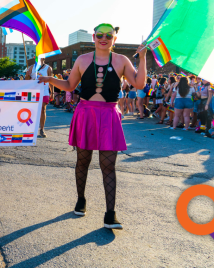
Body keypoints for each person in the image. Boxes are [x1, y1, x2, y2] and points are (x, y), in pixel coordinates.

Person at [38, 23, 148, 230]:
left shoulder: (122, 60)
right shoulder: (82, 59)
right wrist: (50, 79)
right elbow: (70, 86)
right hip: (85, 114)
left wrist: (142, 58)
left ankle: (110, 214)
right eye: (100, 35)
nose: (103, 38)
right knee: (83, 160)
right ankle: (81, 200)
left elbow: (140, 84)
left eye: (108, 35)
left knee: (108, 165)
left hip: (108, 115)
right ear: (94, 37)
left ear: (114, 38)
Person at [25, 57, 52, 138]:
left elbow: (51, 80)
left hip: (44, 91)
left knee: (43, 109)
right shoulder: (31, 67)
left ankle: (42, 129)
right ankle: (30, 129)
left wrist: (52, 92)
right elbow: (27, 80)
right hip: (33, 92)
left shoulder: (48, 68)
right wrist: (27, 75)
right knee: (32, 110)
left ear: (44, 58)